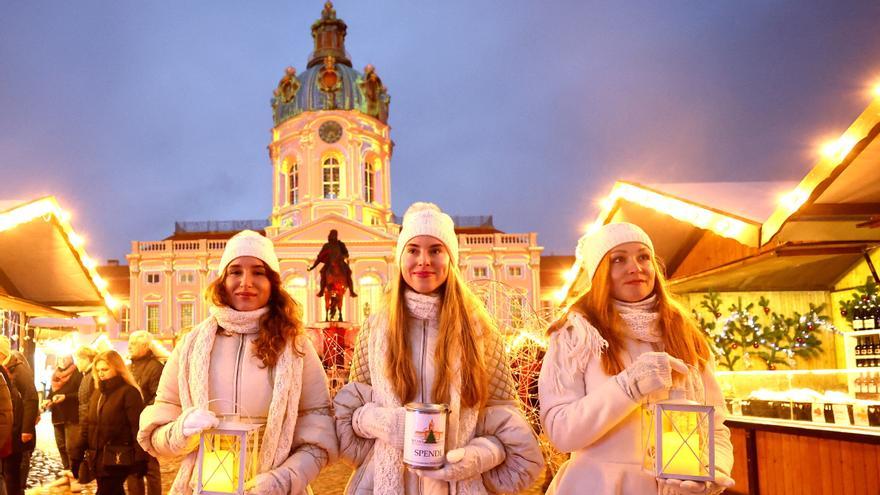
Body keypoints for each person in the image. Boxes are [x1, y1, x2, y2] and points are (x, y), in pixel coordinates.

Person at [334, 202, 544, 494]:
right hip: (385, 482)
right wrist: (384, 424)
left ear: (450, 259)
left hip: (458, 483)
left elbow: (505, 413)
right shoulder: (375, 327)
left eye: (435, 250)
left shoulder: (480, 330)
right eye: (413, 250)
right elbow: (352, 409)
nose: (424, 261)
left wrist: (478, 455)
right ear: (400, 257)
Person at [538, 223, 734, 495]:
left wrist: (713, 471)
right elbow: (561, 432)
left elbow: (716, 425)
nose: (635, 267)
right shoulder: (577, 335)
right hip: (598, 487)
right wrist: (629, 385)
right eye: (618, 259)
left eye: (643, 256)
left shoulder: (684, 333)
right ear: (600, 273)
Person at [138, 230, 337, 495]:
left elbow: (319, 433)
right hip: (203, 487)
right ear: (222, 280)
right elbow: (157, 432)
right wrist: (181, 431)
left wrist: (283, 480)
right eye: (235, 272)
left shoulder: (297, 346)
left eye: (258, 272)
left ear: (273, 282)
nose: (246, 282)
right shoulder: (190, 345)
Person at [71, 350, 145, 495]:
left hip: (118, 457)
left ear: (117, 368)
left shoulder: (129, 393)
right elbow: (87, 425)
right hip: (98, 458)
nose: (101, 374)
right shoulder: (98, 393)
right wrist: (77, 454)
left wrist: (140, 458)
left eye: (105, 369)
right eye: (98, 370)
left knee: (107, 490)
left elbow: (137, 428)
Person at [125, 331, 163, 495]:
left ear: (145, 346)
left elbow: (158, 396)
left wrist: (142, 415)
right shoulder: (128, 367)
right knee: (132, 466)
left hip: (146, 424)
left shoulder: (155, 367)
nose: (129, 346)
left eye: (134, 343)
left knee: (150, 467)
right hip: (128, 425)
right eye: (129, 342)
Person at [0, 337, 37, 495]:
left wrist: (26, 429)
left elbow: (31, 397)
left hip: (17, 428)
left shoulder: (17, 368)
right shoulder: (5, 368)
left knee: (12, 471)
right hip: (10, 427)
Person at [43, 355, 82, 471]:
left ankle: (73, 473)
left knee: (72, 447)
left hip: (72, 415)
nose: (62, 361)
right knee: (61, 445)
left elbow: (80, 394)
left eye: (65, 358)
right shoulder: (56, 375)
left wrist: (65, 397)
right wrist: (48, 400)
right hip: (57, 415)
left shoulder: (77, 373)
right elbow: (52, 391)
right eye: (60, 358)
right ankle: (66, 470)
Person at [72, 346, 97, 479]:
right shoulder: (87, 376)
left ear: (86, 359)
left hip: (91, 426)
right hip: (88, 424)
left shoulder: (92, 376)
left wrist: (85, 432)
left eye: (78, 360)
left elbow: (89, 406)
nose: (76, 363)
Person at [308, 229, 357, 297]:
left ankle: (351, 291)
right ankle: (321, 290)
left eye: (335, 235)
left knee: (348, 273)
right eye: (332, 235)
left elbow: (346, 254)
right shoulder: (326, 246)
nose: (333, 236)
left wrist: (343, 256)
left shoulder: (341, 244)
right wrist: (312, 267)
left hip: (340, 262)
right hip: (329, 263)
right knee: (323, 273)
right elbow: (320, 257)